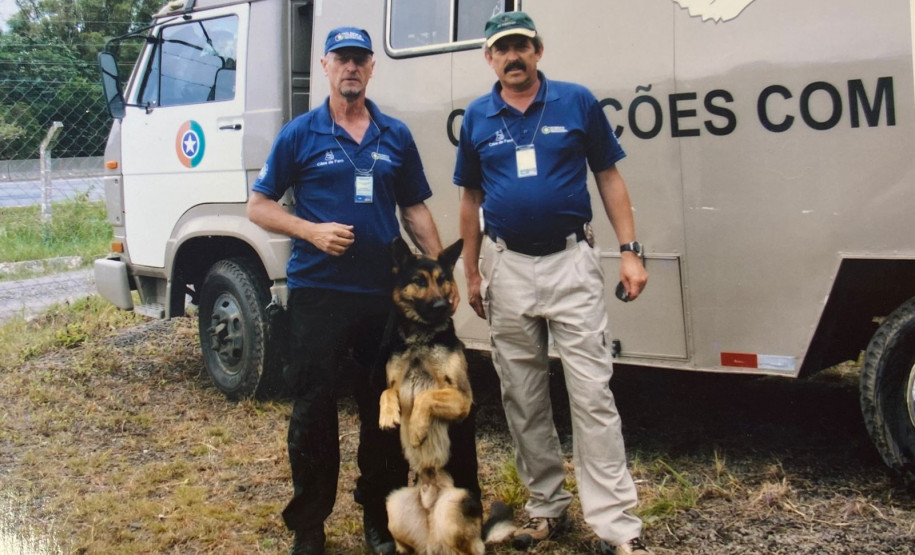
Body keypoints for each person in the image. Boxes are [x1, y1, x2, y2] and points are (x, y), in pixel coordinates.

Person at [248, 27, 479, 555]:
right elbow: (257, 206)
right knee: (313, 408)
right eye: (341, 59)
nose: (350, 68)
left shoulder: (393, 135)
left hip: (380, 298)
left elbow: (415, 210)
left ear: (371, 68)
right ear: (326, 66)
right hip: (318, 293)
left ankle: (378, 517)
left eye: (359, 60)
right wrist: (310, 230)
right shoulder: (299, 134)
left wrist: (441, 277)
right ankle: (309, 525)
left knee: (384, 409)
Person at [453, 11, 652, 555]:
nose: (512, 56)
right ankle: (546, 509)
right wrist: (472, 271)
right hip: (507, 266)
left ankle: (616, 525)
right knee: (522, 396)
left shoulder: (576, 101)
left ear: (538, 50)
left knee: (591, 393)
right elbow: (470, 200)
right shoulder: (476, 117)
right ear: (489, 58)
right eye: (502, 48)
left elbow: (609, 176)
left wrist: (630, 251)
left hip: (570, 263)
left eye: (521, 46)